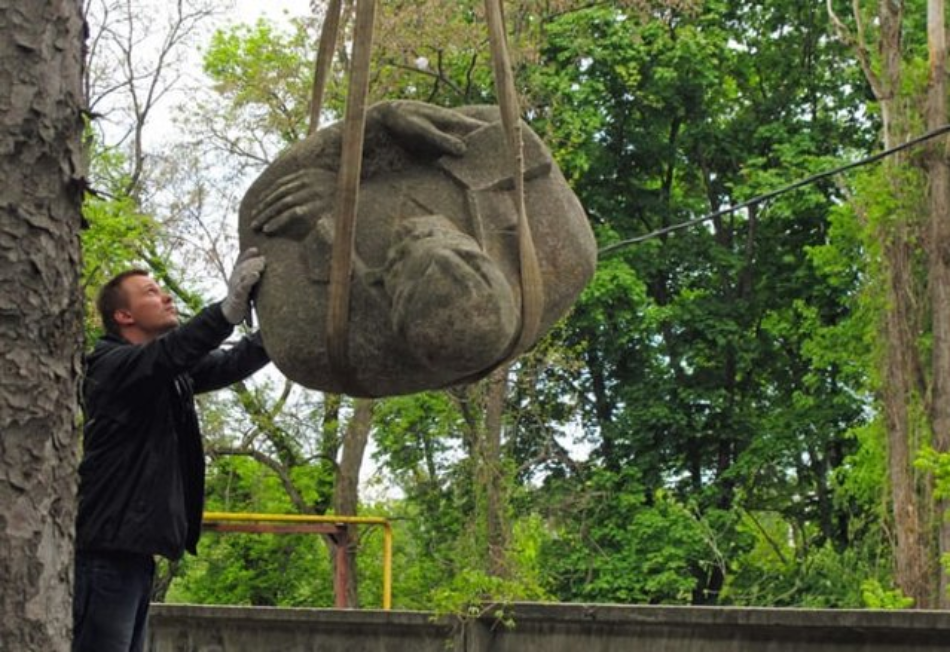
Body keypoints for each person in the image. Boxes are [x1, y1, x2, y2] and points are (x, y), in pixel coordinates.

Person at [239, 100, 597, 397]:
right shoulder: (564, 252)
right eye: (439, 238)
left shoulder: (313, 344)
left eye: (401, 254)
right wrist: (386, 125)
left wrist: (349, 165)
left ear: (387, 289)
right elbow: (502, 129)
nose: (413, 231)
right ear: (483, 254)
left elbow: (258, 213)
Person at [72, 249, 269, 652]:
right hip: (103, 557)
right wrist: (227, 309)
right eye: (150, 292)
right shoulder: (110, 364)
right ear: (124, 316)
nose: (165, 297)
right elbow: (172, 352)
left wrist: (285, 324)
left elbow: (229, 363)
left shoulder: (165, 372)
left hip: (132, 559)